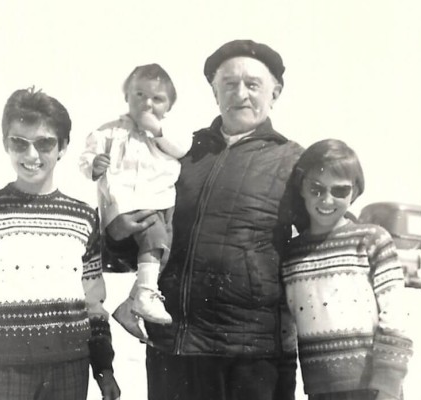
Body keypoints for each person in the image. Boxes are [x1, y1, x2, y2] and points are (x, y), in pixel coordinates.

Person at [105, 40, 304, 400]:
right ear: (215, 93)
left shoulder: (292, 160)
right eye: (229, 84)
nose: (240, 94)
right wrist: (117, 234)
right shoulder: (183, 151)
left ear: (275, 93)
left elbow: (316, 247)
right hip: (175, 350)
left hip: (251, 356)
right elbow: (139, 230)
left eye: (253, 84)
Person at [0, 87, 120, 400]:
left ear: (62, 147)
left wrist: (104, 369)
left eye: (45, 143)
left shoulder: (84, 217)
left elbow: (94, 303)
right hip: (0, 371)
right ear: (6, 145)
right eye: (19, 143)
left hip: (69, 370)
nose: (31, 155)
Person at [281, 139, 413, 400]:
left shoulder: (372, 240)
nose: (327, 200)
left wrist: (387, 385)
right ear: (302, 189)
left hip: (373, 387)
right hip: (320, 391)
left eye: (339, 191)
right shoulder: (290, 253)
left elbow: (396, 316)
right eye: (317, 189)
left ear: (354, 192)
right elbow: (286, 328)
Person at [79, 63, 190, 328]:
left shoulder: (165, 134)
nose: (147, 103)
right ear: (126, 95)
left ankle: (134, 302)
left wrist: (159, 131)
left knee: (164, 251)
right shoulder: (109, 131)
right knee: (155, 239)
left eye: (157, 99)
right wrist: (94, 164)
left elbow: (181, 149)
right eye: (139, 95)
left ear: (169, 107)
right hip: (126, 203)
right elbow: (85, 157)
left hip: (160, 201)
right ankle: (142, 297)